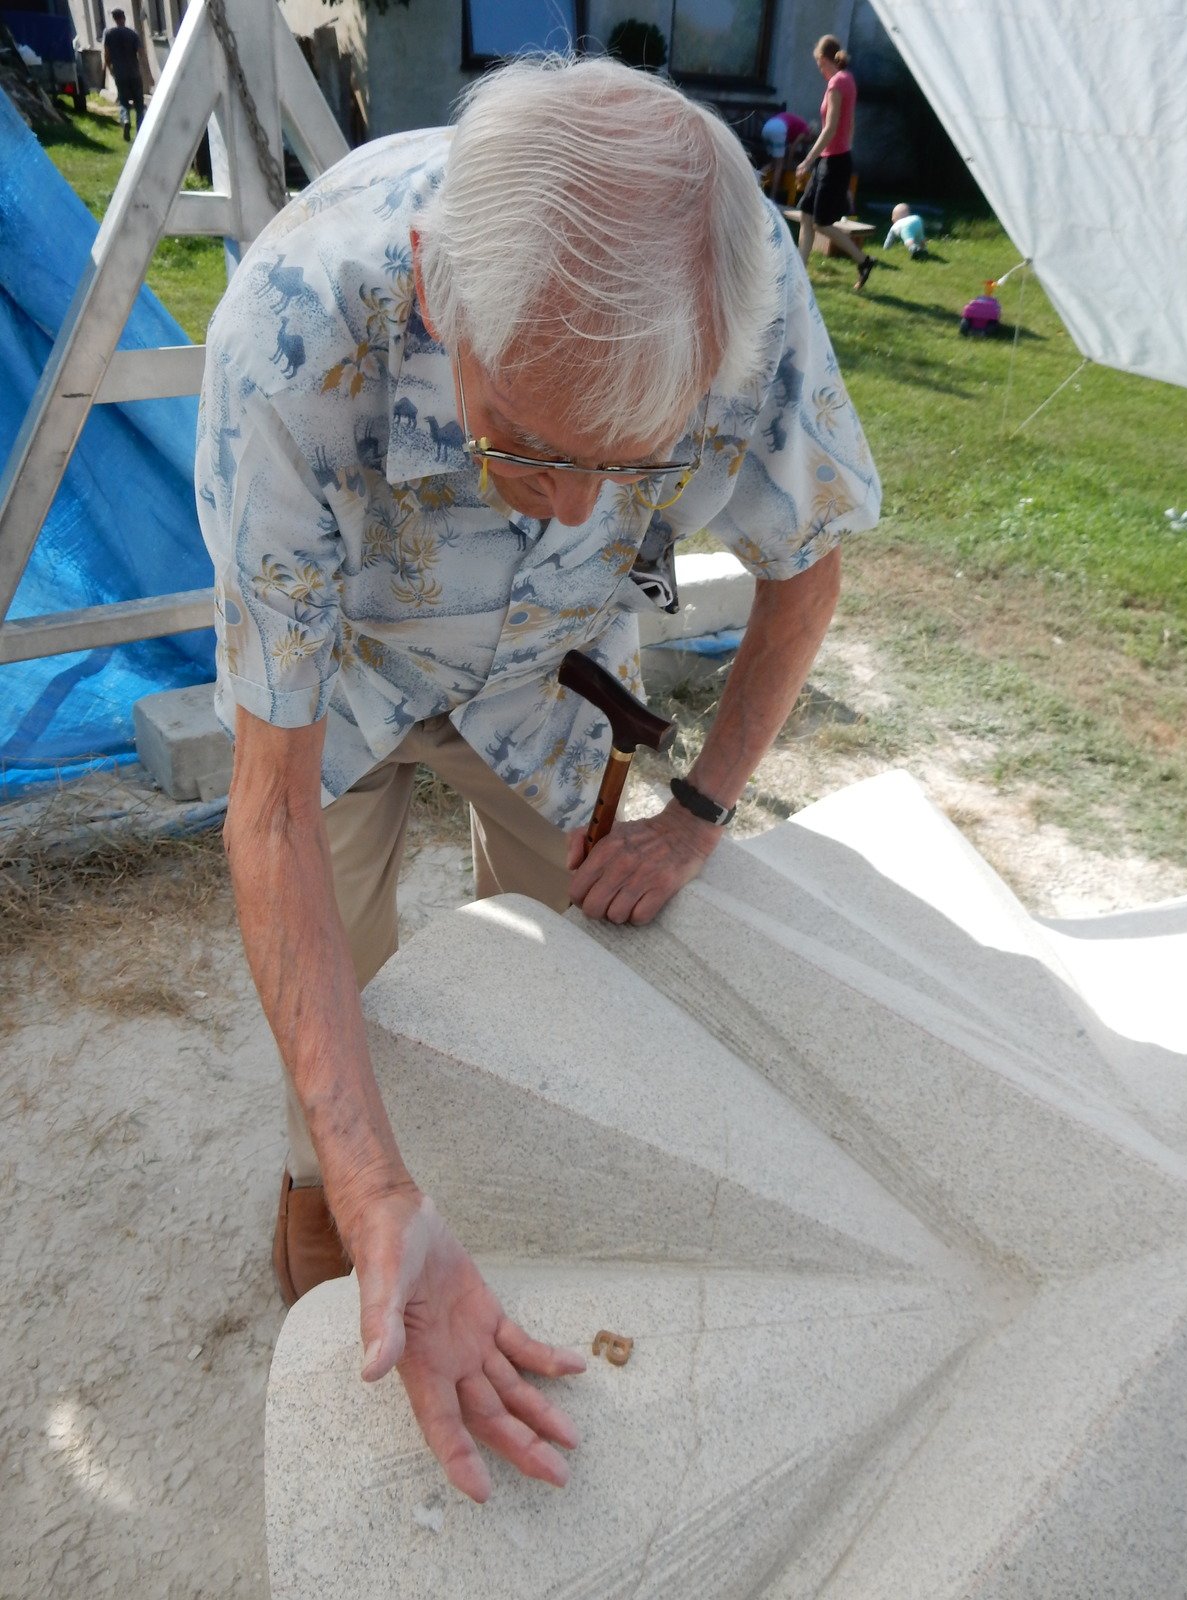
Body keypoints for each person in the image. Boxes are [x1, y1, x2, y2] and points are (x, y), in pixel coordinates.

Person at [196, 54, 880, 1504]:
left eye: (625, 467)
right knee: (338, 998)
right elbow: (268, 807)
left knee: (563, 990)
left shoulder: (732, 289)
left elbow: (805, 563)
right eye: (530, 449)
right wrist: (372, 1181)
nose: (576, 499)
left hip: (553, 682)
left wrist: (699, 814)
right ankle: (334, 1220)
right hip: (352, 681)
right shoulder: (293, 333)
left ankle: (508, 1216)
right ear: (443, 296)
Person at [795, 35, 875, 290]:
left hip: (833, 162)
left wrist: (808, 160)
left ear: (824, 59)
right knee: (806, 215)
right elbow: (847, 124)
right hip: (834, 158)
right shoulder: (847, 79)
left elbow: (830, 128)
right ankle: (799, 273)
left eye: (819, 63)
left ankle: (864, 260)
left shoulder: (836, 84)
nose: (819, 69)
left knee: (821, 222)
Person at [102, 8, 144, 142]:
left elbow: (107, 54)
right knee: (139, 104)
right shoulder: (132, 34)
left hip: (120, 73)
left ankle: (126, 120)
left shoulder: (109, 34)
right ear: (124, 18)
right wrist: (146, 73)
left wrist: (109, 68)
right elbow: (141, 53)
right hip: (134, 72)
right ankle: (140, 131)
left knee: (124, 102)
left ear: (114, 19)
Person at [759, 109, 810, 206]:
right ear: (811, 134)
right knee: (780, 164)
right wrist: (789, 165)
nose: (806, 142)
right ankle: (773, 197)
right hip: (778, 129)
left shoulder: (796, 126)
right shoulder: (805, 130)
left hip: (766, 128)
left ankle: (756, 176)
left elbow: (789, 147)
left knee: (774, 162)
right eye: (809, 141)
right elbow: (793, 148)